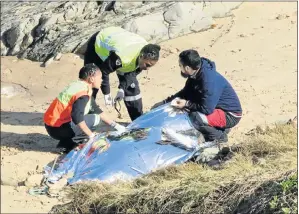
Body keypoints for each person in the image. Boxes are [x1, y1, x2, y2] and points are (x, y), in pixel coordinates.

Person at [151, 50, 242, 143]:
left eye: (180, 66)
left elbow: (206, 109)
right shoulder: (196, 72)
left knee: (195, 117)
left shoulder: (208, 82)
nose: (179, 68)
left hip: (230, 114)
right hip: (214, 106)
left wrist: (186, 103)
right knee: (186, 109)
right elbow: (186, 92)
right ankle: (218, 128)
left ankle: (220, 137)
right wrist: (165, 102)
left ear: (186, 68)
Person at [44, 63, 126, 152]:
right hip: (58, 128)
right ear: (91, 79)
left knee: (95, 116)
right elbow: (77, 116)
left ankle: (64, 144)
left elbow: (95, 109)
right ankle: (75, 143)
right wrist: (91, 136)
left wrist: (116, 125)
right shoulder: (83, 93)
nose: (101, 80)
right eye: (100, 78)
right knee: (95, 120)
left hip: (52, 125)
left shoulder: (79, 86)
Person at [84, 26, 161, 121]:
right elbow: (103, 72)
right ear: (141, 56)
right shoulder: (123, 57)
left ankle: (138, 121)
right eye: (147, 65)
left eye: (151, 66)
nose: (147, 68)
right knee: (91, 81)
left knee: (131, 86)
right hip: (99, 43)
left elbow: (131, 74)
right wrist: (107, 94)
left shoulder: (147, 51)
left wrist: (122, 89)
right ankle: (84, 118)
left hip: (120, 42)